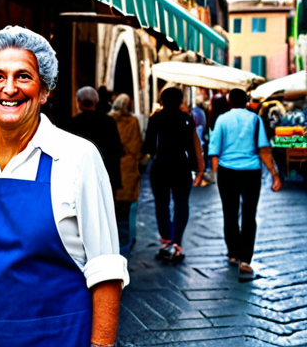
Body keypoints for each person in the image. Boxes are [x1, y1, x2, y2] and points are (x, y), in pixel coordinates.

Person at [0, 26, 128, 347]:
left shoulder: (77, 157)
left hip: (55, 338)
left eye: (23, 76)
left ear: (44, 91)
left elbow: (105, 268)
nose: (9, 88)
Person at [209, 88, 281, 281]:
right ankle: (245, 260)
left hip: (227, 171)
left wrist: (216, 174)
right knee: (249, 214)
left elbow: (214, 151)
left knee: (229, 212)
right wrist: (275, 175)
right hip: (251, 172)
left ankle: (233, 252)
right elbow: (264, 150)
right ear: (247, 101)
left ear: (229, 100)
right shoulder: (255, 120)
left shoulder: (222, 120)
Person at [142, 87, 204, 264]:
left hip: (161, 165)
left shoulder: (156, 118)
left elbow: (149, 147)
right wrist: (196, 168)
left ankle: (166, 239)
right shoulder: (187, 119)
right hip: (181, 166)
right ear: (180, 100)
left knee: (161, 203)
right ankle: (177, 242)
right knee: (182, 204)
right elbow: (192, 147)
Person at [66, 86, 124, 193]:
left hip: (81, 177)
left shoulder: (72, 124)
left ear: (78, 102)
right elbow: (116, 150)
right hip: (105, 175)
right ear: (96, 101)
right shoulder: (109, 122)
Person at [108, 94, 143, 251]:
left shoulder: (108, 120)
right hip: (128, 166)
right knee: (128, 207)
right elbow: (137, 147)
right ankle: (128, 237)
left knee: (110, 205)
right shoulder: (132, 121)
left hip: (111, 165)